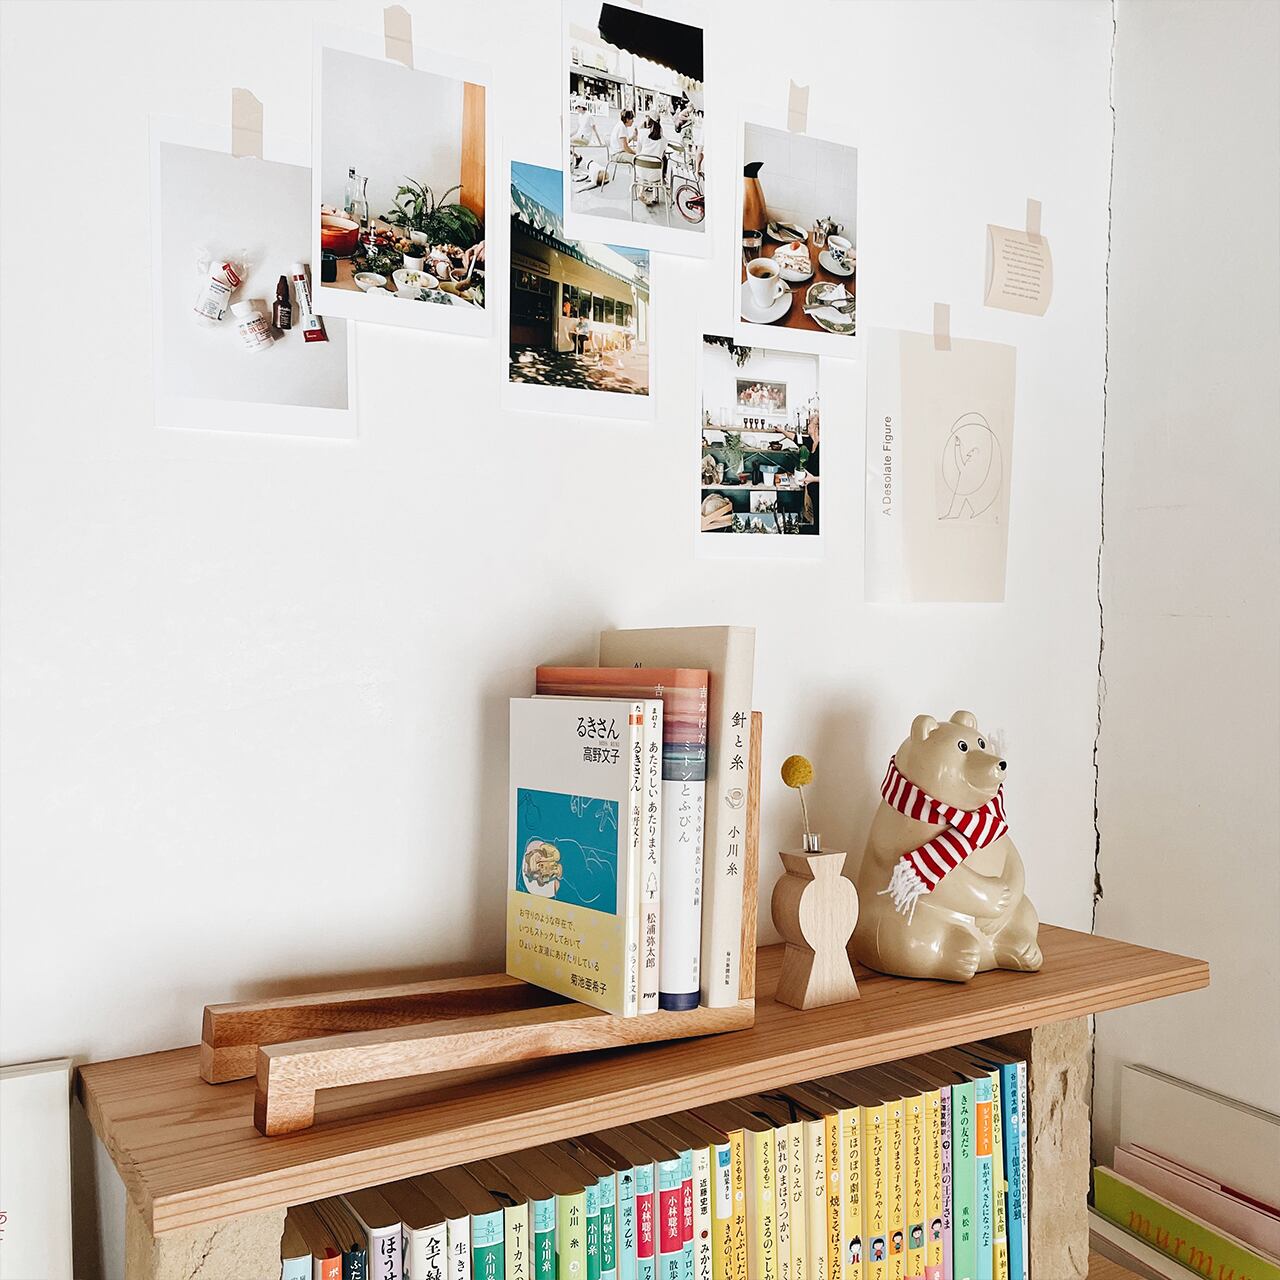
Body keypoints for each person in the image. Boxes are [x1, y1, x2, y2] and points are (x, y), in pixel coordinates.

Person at [801, 412, 820, 534]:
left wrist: (813, 479)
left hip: (821, 491)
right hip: (813, 490)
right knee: (816, 519)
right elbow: (793, 437)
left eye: (810, 424)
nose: (808, 426)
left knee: (821, 523)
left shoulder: (825, 447)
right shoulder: (811, 442)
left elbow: (834, 476)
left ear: (817, 427)